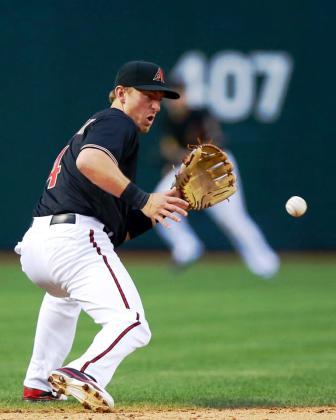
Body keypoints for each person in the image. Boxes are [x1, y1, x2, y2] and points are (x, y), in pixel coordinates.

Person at [14, 61, 189, 412]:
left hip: (38, 245)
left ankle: (39, 383)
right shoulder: (116, 122)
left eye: (160, 98)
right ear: (121, 94)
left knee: (64, 297)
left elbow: (121, 228)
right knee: (133, 324)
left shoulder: (103, 131)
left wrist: (174, 197)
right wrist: (144, 198)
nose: (156, 105)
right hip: (73, 239)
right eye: (148, 95)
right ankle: (83, 372)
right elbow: (90, 162)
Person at [154, 80, 280, 278]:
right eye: (170, 97)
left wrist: (181, 157)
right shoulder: (168, 121)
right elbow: (169, 150)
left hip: (216, 166)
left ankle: (267, 264)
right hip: (190, 170)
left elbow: (212, 144)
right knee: (160, 201)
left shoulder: (199, 115)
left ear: (185, 95)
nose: (175, 101)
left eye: (178, 95)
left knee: (233, 220)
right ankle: (186, 247)